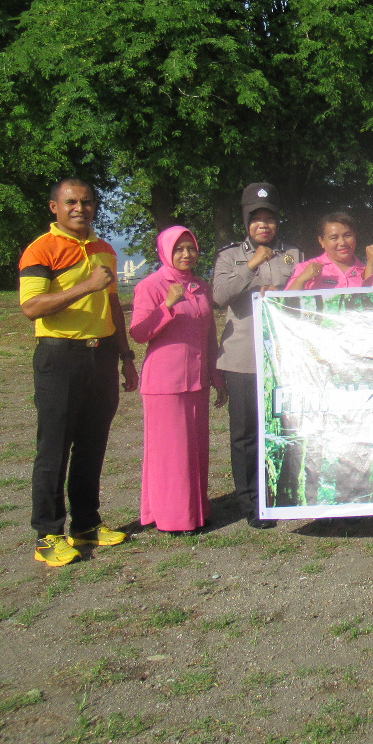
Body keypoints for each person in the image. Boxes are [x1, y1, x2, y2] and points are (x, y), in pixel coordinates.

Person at [19, 178, 138, 566]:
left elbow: (113, 306)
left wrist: (125, 355)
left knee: (92, 445)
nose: (80, 208)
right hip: (59, 356)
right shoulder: (42, 249)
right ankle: (48, 533)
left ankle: (86, 524)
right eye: (71, 202)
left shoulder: (104, 249)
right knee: (54, 447)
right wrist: (86, 286)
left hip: (100, 355)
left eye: (87, 202)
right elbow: (32, 307)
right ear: (54, 207)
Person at [214, 183, 303, 529]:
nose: (264, 225)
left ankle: (282, 494)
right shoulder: (229, 256)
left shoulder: (293, 253)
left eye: (269, 219)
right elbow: (220, 295)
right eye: (256, 220)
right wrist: (251, 265)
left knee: (285, 426)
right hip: (244, 358)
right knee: (246, 433)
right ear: (246, 223)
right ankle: (251, 502)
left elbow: (304, 294)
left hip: (284, 357)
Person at [129, 227, 228, 533]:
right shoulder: (152, 285)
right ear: (165, 252)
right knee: (171, 453)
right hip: (164, 383)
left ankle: (195, 511)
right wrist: (167, 305)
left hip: (195, 381)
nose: (186, 255)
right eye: (179, 250)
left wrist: (216, 375)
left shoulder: (199, 286)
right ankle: (172, 518)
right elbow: (139, 332)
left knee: (195, 451)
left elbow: (209, 334)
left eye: (191, 249)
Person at [286, 212, 373, 290]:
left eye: (347, 235)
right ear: (322, 241)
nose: (342, 242)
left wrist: (371, 265)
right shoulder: (305, 268)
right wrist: (301, 280)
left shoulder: (366, 270)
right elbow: (285, 305)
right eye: (334, 238)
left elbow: (372, 304)